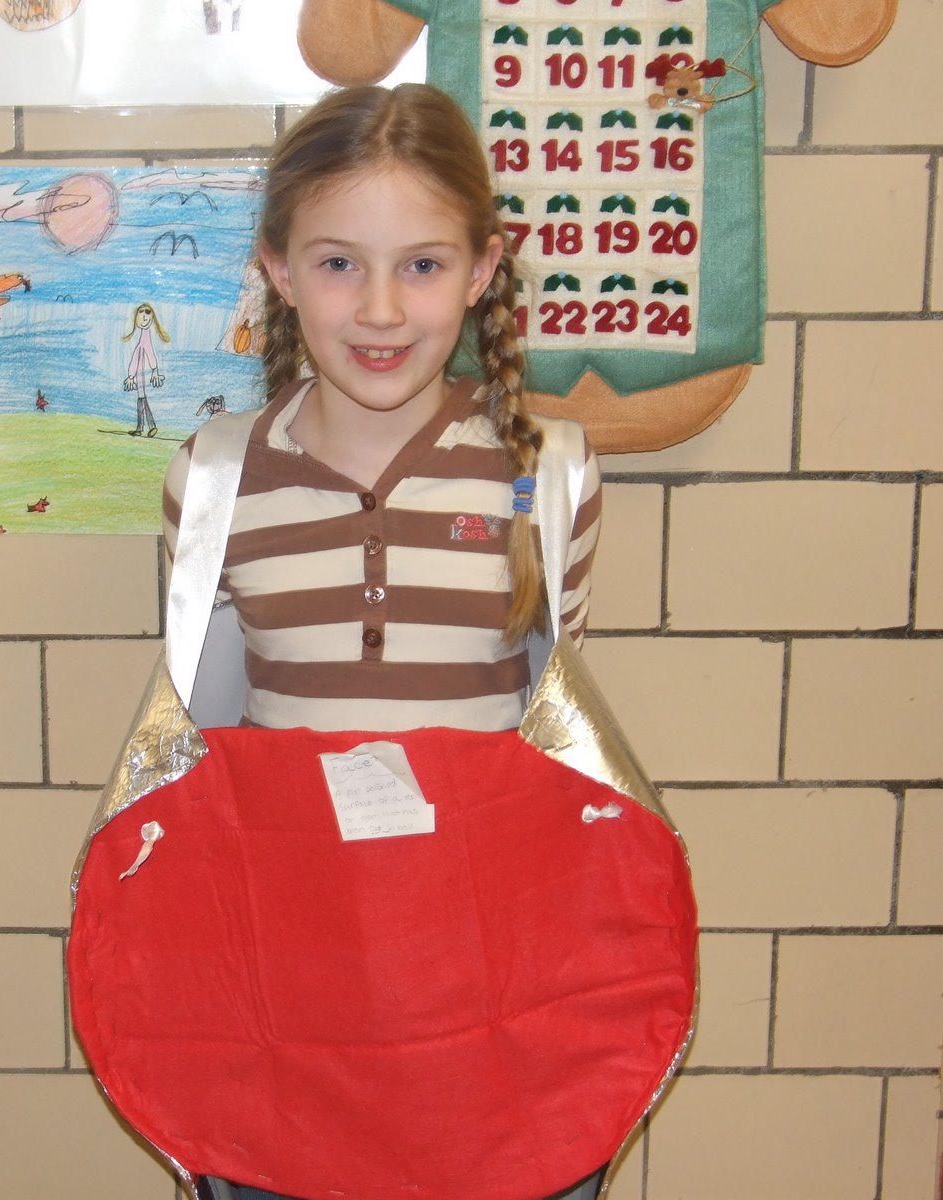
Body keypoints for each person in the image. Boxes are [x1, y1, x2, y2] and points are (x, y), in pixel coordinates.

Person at [161, 83, 604, 1200]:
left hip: (485, 987)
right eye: (337, 262)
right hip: (287, 985)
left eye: (421, 264)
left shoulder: (548, 471)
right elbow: (199, 744)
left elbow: (554, 747)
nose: (380, 311)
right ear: (276, 268)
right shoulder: (214, 476)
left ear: (483, 270)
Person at [123, 300, 169, 436]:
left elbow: (149, 353)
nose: (144, 316)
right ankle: (145, 427)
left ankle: (144, 427)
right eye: (141, 313)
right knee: (142, 400)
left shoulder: (145, 337)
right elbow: (136, 358)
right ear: (136, 318)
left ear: (152, 318)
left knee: (141, 400)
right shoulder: (143, 336)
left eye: (147, 314)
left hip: (142, 375)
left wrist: (155, 370)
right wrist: (131, 376)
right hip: (139, 375)